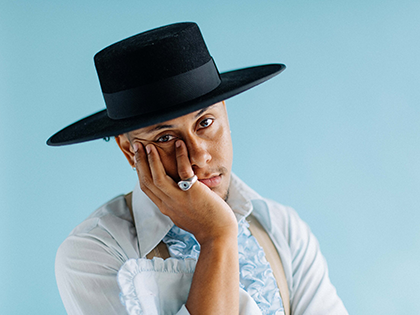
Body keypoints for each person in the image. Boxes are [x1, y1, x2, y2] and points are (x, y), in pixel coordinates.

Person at [48, 22, 348, 315]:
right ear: (129, 150)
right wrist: (217, 237)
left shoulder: (282, 227)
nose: (199, 156)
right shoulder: (94, 253)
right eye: (165, 138)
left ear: (225, 116)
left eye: (205, 123)